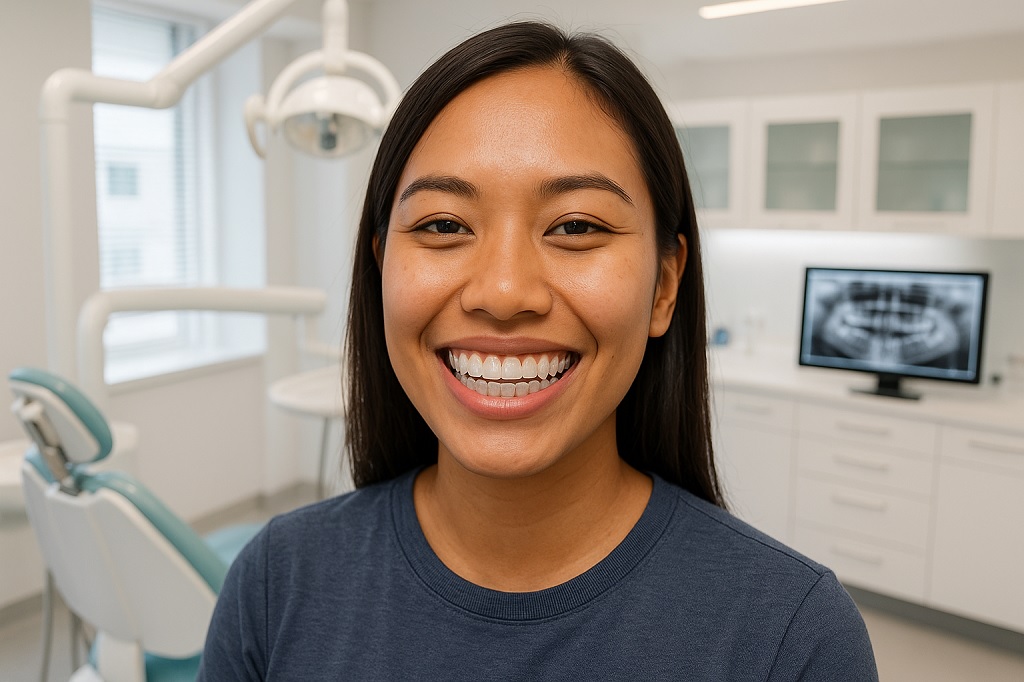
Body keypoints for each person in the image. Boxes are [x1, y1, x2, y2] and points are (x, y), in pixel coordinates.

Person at [198, 21, 878, 680]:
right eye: (442, 224)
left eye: (576, 225)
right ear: (381, 270)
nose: (503, 290)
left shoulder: (792, 640)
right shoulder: (274, 585)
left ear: (665, 284)